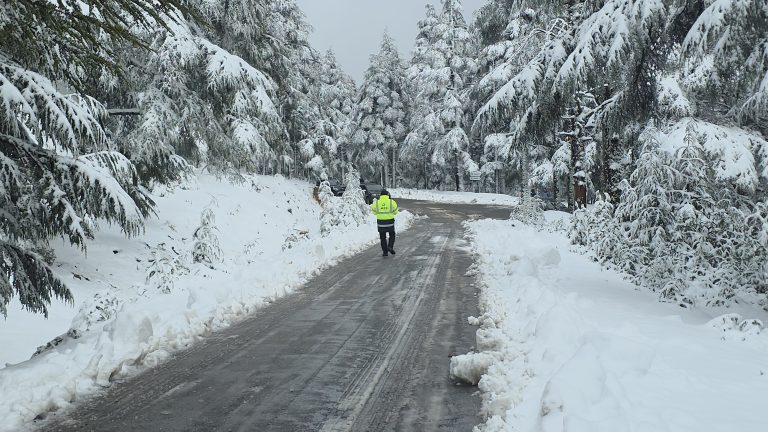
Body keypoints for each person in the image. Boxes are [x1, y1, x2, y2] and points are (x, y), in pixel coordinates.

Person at [371, 189, 399, 257]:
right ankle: (390, 246)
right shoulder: (392, 202)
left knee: (382, 237)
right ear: (387, 195)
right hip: (390, 222)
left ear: (381, 195)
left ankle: (385, 252)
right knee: (392, 235)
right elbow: (396, 212)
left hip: (381, 223)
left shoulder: (376, 203)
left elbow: (374, 212)